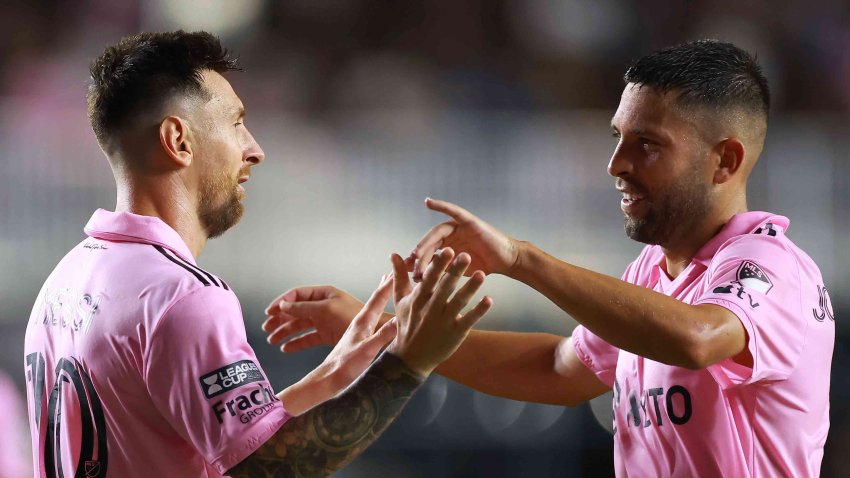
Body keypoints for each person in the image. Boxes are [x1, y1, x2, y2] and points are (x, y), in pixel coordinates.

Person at [264, 40, 835, 477]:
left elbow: (700, 339)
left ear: (725, 161)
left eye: (648, 145)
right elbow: (561, 368)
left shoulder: (771, 268)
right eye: (618, 136)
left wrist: (522, 260)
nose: (616, 163)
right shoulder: (651, 276)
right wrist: (384, 334)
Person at [23, 30, 493, 478]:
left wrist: (327, 380)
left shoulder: (64, 281)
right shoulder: (182, 297)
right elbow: (273, 469)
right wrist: (409, 363)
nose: (255, 150)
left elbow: (199, 446)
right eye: (237, 123)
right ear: (178, 140)